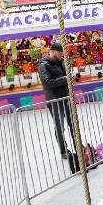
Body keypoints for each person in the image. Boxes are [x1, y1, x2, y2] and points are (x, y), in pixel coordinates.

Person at [38, 42, 78, 173]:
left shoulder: (61, 63)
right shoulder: (44, 66)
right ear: (53, 51)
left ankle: (77, 145)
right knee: (60, 126)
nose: (62, 56)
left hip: (66, 98)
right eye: (61, 53)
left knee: (73, 124)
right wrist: (65, 79)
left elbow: (66, 78)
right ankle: (63, 150)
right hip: (54, 101)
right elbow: (48, 83)